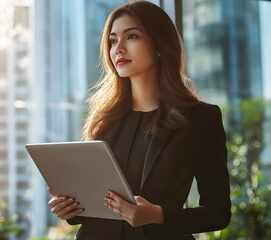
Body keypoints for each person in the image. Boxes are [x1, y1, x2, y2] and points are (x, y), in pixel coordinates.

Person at [46, 1, 231, 239]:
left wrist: (157, 215)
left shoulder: (201, 118)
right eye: (113, 41)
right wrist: (71, 209)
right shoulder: (105, 119)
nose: (118, 48)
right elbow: (95, 206)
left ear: (159, 45)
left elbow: (218, 213)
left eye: (131, 36)